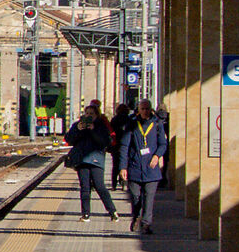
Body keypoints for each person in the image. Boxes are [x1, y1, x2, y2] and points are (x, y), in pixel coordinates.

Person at [120, 97, 169, 234]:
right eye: (143, 109)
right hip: (135, 166)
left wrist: (157, 156)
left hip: (151, 168)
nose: (145, 111)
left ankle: (146, 223)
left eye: (147, 109)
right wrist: (122, 167)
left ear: (151, 109)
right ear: (138, 110)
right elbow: (125, 146)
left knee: (149, 197)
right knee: (135, 196)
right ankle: (136, 216)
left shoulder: (157, 124)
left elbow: (163, 144)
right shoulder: (132, 124)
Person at [65, 99, 117, 220]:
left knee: (100, 186)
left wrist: (93, 130)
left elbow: (104, 142)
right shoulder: (78, 125)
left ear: (97, 115)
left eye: (91, 114)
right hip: (82, 160)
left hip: (96, 160)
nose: (88, 116)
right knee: (85, 187)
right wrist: (78, 129)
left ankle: (112, 211)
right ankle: (85, 214)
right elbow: (69, 140)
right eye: (87, 113)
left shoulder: (101, 126)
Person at [108, 99, 135, 188]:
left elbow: (110, 132)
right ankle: (123, 182)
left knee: (115, 165)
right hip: (126, 144)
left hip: (115, 144)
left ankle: (114, 184)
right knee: (124, 163)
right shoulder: (129, 119)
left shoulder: (114, 119)